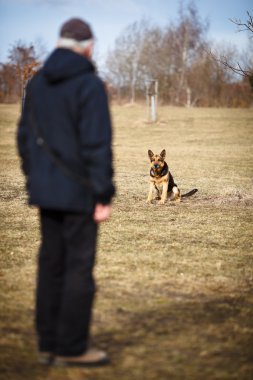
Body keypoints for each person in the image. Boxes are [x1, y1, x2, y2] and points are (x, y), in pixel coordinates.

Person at [17, 18, 115, 367]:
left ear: (60, 44)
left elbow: (24, 140)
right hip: (80, 195)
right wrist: (103, 194)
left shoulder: (37, 83)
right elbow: (97, 145)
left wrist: (36, 180)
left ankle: (47, 342)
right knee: (77, 269)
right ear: (88, 46)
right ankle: (72, 347)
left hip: (46, 193)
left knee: (51, 265)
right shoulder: (89, 85)